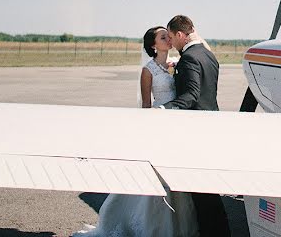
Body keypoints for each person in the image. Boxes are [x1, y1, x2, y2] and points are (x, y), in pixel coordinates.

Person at [76, 26, 199, 237]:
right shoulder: (148, 70)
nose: (168, 39)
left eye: (168, 36)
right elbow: (145, 104)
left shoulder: (174, 66)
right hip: (157, 125)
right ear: (153, 45)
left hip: (174, 125)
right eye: (163, 37)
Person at [160, 15, 231, 237]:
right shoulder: (208, 55)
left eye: (171, 37)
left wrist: (162, 110)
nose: (171, 42)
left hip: (196, 130)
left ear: (180, 34)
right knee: (208, 190)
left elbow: (191, 96)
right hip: (212, 126)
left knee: (201, 192)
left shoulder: (189, 58)